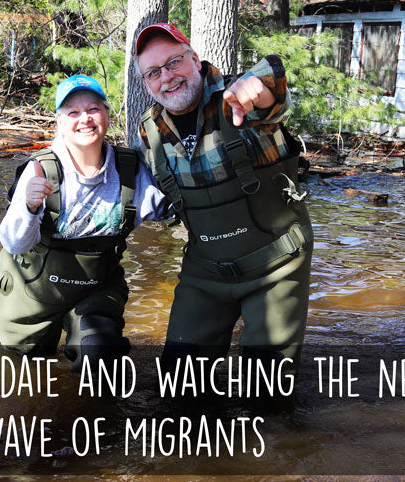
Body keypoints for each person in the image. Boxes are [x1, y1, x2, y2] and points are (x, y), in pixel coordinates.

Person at [132, 23, 313, 364]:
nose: (167, 77)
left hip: (276, 264)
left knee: (266, 392)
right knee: (179, 384)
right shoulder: (149, 130)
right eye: (154, 72)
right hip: (205, 271)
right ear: (145, 83)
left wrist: (259, 88)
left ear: (195, 58)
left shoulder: (236, 96)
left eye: (174, 62)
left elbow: (272, 95)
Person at [0, 75, 169, 371]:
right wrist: (29, 205)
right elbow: (14, 243)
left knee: (100, 358)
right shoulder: (39, 169)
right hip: (32, 290)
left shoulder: (130, 169)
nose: (85, 119)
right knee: (28, 370)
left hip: (95, 288)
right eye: (73, 112)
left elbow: (169, 209)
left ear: (107, 115)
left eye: (93, 109)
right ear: (60, 122)